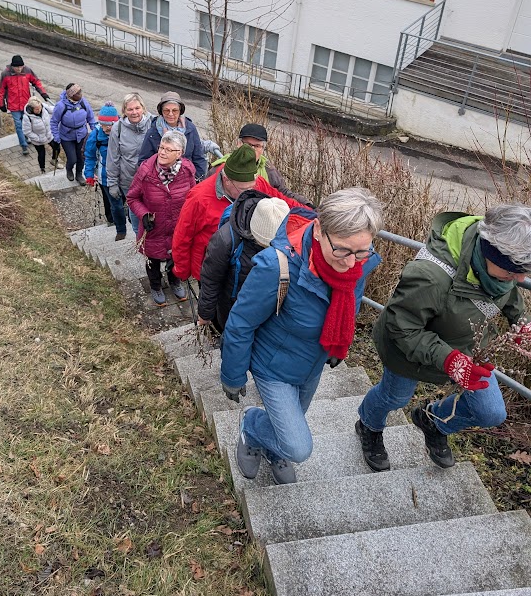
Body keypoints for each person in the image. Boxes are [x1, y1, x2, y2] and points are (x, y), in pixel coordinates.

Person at [220, 187, 383, 486]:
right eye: (344, 250)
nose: (351, 262)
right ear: (319, 230)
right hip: (274, 368)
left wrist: (337, 345)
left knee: (288, 431)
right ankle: (253, 426)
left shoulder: (356, 264)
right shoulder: (277, 266)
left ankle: (271, 447)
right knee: (298, 446)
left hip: (313, 364)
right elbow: (241, 323)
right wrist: (232, 375)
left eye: (362, 251)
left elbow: (348, 306)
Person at [356, 204, 531, 473]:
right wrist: (450, 361)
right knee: (395, 398)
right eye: (513, 272)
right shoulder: (430, 276)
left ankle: (432, 420)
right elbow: (402, 327)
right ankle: (368, 425)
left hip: (466, 347)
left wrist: (521, 324)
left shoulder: (498, 266)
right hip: (409, 351)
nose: (519, 279)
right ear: (490, 252)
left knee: (490, 412)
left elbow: (506, 293)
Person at [171, 143, 306, 286]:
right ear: (226, 180)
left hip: (242, 267)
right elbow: (182, 236)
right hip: (211, 269)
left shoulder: (254, 183)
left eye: (252, 187)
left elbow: (283, 201)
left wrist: (310, 215)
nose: (249, 193)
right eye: (243, 189)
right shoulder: (198, 197)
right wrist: (182, 271)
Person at [198, 192, 290, 332]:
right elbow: (211, 279)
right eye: (265, 244)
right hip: (232, 305)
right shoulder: (225, 240)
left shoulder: (290, 233)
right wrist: (205, 314)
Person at [127, 131, 196, 307]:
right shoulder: (145, 172)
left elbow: (193, 197)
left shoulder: (187, 170)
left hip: (177, 228)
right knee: (153, 261)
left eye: (168, 149)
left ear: (179, 153)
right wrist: (143, 214)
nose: (162, 152)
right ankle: (156, 286)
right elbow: (132, 198)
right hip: (153, 228)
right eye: (161, 147)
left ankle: (175, 282)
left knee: (176, 257)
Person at [210, 123, 309, 203]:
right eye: (248, 145)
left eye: (257, 146)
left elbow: (283, 193)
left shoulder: (269, 170)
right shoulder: (220, 168)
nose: (252, 150)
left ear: (263, 149)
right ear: (239, 144)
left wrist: (307, 204)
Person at [106, 93, 154, 241]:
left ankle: (154, 239)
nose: (134, 112)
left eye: (137, 108)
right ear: (124, 111)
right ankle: (138, 238)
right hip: (129, 181)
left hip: (153, 179)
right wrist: (112, 183)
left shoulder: (155, 123)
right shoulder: (118, 129)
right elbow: (113, 158)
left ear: (143, 108)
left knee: (154, 209)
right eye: (130, 109)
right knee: (135, 210)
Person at [138, 91, 207, 180]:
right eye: (166, 110)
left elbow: (199, 157)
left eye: (174, 110)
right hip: (160, 182)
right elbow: (144, 161)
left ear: (180, 111)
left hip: (186, 181)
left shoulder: (190, 129)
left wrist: (196, 179)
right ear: (161, 112)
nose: (170, 114)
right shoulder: (153, 132)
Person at [0, 55, 49, 157]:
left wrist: (43, 93)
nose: (19, 69)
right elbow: (2, 90)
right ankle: (24, 145)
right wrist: (1, 104)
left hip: (26, 103)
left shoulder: (27, 71)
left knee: (28, 123)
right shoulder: (5, 74)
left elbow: (36, 82)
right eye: (17, 67)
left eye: (21, 67)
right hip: (13, 104)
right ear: (13, 66)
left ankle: (26, 137)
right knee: (18, 125)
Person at [84, 102, 122, 230]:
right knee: (110, 201)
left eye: (110, 124)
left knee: (121, 199)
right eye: (103, 124)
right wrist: (89, 174)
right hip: (104, 177)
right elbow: (90, 156)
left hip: (123, 174)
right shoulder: (95, 136)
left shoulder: (124, 131)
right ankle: (112, 220)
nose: (107, 128)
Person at [50, 83, 95, 185]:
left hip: (82, 134)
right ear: (71, 95)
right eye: (78, 93)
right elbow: (54, 122)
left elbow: (91, 117)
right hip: (66, 136)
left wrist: (94, 131)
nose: (81, 94)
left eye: (80, 91)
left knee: (82, 157)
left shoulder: (83, 102)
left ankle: (79, 174)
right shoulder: (61, 105)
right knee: (72, 158)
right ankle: (69, 169)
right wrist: (56, 137)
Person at [22, 96, 60, 174]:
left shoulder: (43, 107)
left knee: (57, 147)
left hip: (49, 135)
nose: (39, 110)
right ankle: (42, 169)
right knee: (42, 154)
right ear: (32, 109)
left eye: (40, 108)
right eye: (37, 109)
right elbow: (27, 131)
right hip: (38, 139)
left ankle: (54, 160)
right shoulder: (27, 117)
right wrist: (38, 138)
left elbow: (53, 110)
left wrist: (62, 108)